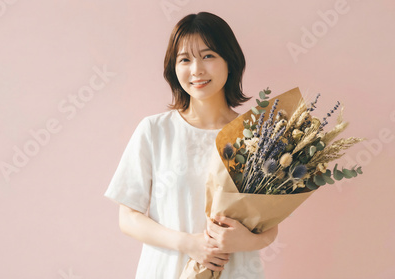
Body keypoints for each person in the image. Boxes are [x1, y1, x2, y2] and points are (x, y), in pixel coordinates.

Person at [104, 11, 278, 279]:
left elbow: (270, 226)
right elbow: (128, 217)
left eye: (208, 56)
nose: (196, 70)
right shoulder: (155, 131)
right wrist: (190, 244)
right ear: (174, 69)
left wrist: (246, 241)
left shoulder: (256, 134)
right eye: (184, 59)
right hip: (167, 271)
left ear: (229, 61)